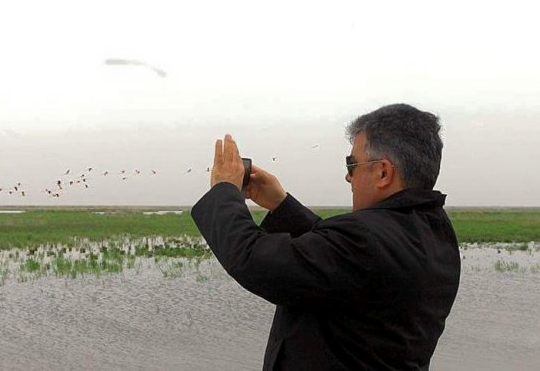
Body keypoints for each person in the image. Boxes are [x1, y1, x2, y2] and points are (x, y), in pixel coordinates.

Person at [190, 104, 461, 370]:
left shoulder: (365, 240)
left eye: (352, 163)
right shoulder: (435, 235)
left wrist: (224, 190)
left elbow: (255, 261)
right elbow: (342, 263)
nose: (347, 176)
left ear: (383, 172)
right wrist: (282, 205)